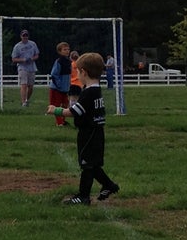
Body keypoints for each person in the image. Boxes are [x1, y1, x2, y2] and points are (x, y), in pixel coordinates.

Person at [46, 52, 120, 205]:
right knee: (93, 165)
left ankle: (83, 196)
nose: (77, 74)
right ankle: (109, 185)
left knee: (87, 166)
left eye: (77, 71)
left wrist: (56, 110)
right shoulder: (96, 90)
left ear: (84, 72)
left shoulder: (88, 93)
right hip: (97, 132)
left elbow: (74, 112)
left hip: (88, 133)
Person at [11, 29, 39, 107]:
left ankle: (26, 99)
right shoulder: (17, 46)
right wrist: (23, 60)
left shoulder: (33, 44)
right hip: (22, 67)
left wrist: (32, 59)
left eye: (26, 35)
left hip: (32, 67)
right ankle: (23, 102)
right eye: (23, 36)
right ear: (21, 36)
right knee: (24, 84)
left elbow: (37, 55)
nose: (25, 37)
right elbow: (14, 59)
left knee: (31, 86)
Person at [48, 42, 71, 127]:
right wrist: (58, 85)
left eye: (68, 49)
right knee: (57, 106)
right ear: (60, 51)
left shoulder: (69, 62)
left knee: (65, 105)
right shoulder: (58, 62)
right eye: (64, 50)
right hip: (57, 88)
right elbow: (54, 74)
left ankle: (63, 120)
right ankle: (59, 122)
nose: (67, 51)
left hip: (65, 89)